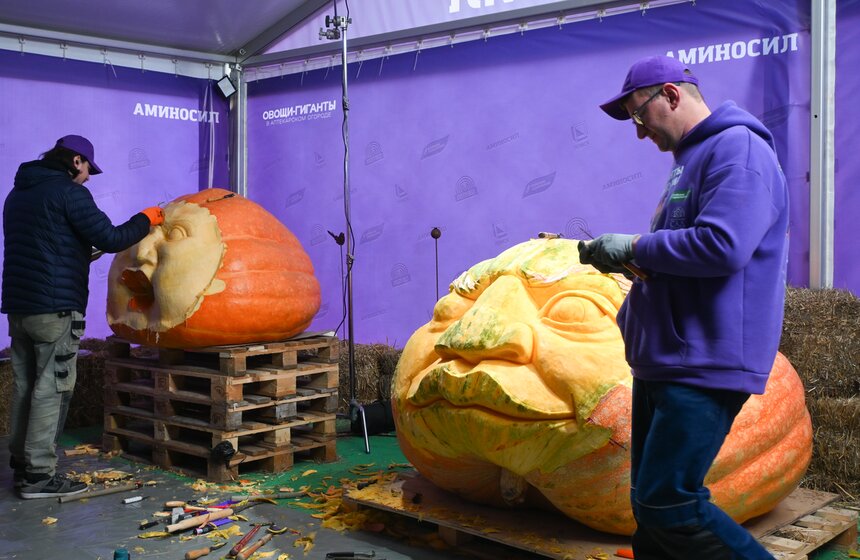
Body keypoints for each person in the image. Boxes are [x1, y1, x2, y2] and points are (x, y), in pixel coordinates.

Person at [578, 56, 788, 559]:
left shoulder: (738, 150)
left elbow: (723, 245)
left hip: (704, 362)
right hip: (668, 359)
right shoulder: (690, 162)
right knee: (648, 511)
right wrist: (637, 267)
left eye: (638, 115)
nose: (638, 132)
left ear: (670, 95)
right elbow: (685, 253)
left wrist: (632, 248)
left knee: (669, 503)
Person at [2, 135, 165, 499]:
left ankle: (21, 463)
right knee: (53, 389)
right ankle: (39, 477)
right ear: (77, 161)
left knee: (27, 385)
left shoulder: (18, 194)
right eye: (89, 169)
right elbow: (110, 237)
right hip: (56, 309)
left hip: (20, 307)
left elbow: (44, 246)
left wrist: (76, 254)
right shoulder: (68, 192)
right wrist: (146, 218)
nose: (89, 177)